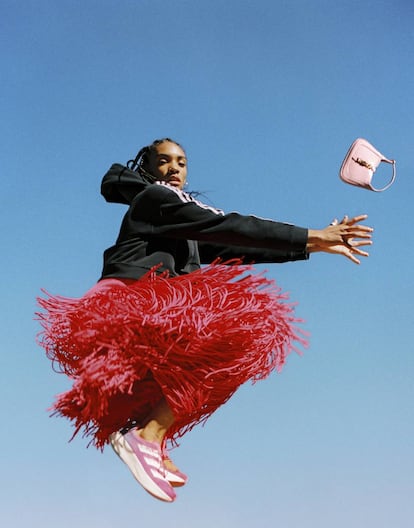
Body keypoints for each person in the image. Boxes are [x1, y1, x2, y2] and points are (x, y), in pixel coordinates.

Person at [37, 138, 373, 503]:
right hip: (132, 304)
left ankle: (148, 434)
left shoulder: (175, 222)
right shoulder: (157, 199)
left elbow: (233, 247)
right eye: (163, 161)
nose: (174, 168)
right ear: (146, 167)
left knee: (214, 365)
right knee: (248, 330)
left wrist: (312, 245)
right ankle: (147, 436)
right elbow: (227, 225)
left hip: (142, 311)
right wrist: (312, 234)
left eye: (181, 162)